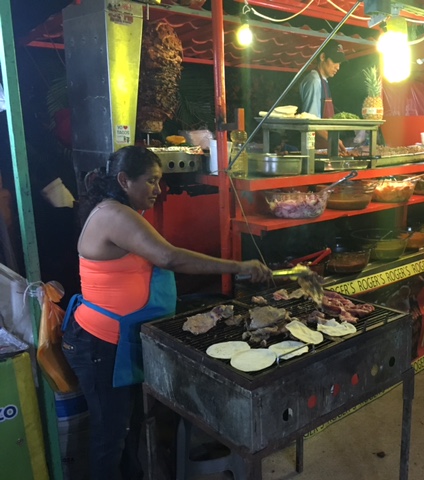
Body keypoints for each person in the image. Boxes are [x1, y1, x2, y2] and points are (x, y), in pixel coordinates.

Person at [61, 146, 271, 480]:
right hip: (100, 344)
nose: (158, 190)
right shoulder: (114, 215)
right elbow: (169, 258)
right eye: (151, 181)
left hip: (118, 341)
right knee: (110, 437)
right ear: (124, 180)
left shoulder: (122, 211)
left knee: (125, 429)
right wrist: (239, 267)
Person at [299, 40, 348, 154]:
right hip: (313, 150)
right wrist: (333, 140)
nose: (338, 67)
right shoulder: (314, 80)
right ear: (322, 57)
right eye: (335, 61)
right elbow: (310, 121)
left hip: (324, 148)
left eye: (340, 63)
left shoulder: (323, 81)